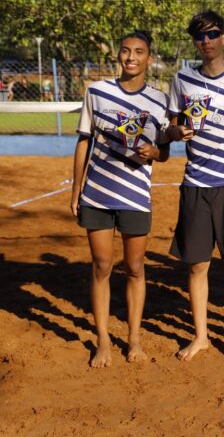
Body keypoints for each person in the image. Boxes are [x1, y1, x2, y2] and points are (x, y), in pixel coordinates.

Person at [70, 30, 170, 368]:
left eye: (139, 52)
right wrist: (76, 190)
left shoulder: (159, 100)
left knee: (135, 267)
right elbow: (83, 141)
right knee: (101, 266)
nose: (131, 57)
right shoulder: (96, 92)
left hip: (135, 196)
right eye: (126, 50)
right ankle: (102, 340)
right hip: (97, 193)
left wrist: (154, 151)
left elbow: (164, 151)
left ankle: (134, 339)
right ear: (118, 55)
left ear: (149, 58)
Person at [166, 10, 224, 362]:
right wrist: (175, 132)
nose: (206, 41)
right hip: (196, 183)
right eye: (199, 36)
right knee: (197, 265)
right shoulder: (182, 79)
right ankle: (201, 336)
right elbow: (170, 126)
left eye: (212, 34)